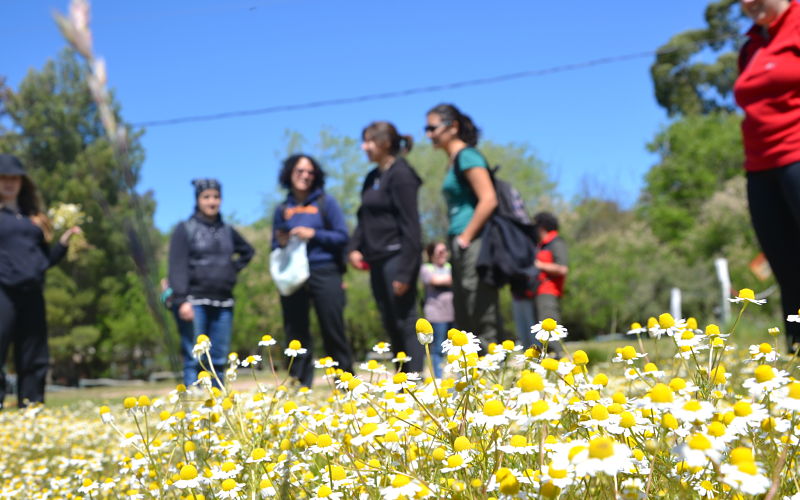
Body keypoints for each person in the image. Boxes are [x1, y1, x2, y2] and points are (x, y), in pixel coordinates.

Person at [734, 0, 800, 351]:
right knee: (787, 270)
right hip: (760, 169)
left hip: (798, 155)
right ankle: (796, 366)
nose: (749, 2)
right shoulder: (750, 46)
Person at [0, 154, 81, 408]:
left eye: (14, 178)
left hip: (32, 292)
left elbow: (44, 261)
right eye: (4, 178)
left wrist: (63, 243)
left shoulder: (35, 218)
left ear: (23, 182)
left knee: (34, 356)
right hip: (3, 292)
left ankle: (31, 409)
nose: (9, 183)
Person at [425, 104, 502, 351]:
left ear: (453, 127)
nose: (428, 134)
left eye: (432, 127)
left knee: (478, 301)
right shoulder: (453, 160)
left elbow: (489, 198)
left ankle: (491, 365)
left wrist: (466, 237)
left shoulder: (468, 156)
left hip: (475, 240)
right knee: (464, 308)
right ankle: (473, 373)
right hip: (460, 241)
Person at [348, 121, 424, 373]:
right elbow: (364, 218)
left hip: (398, 257)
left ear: (385, 143)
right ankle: (402, 386)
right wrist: (354, 248)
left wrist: (405, 272)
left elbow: (411, 226)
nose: (364, 147)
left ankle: (414, 383)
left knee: (406, 321)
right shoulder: (372, 177)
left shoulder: (402, 174)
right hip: (377, 260)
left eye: (369, 141)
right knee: (390, 322)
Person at [273, 154, 353, 387]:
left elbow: (342, 236)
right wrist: (283, 240)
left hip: (324, 270)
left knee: (333, 327)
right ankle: (300, 386)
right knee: (296, 333)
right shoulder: (282, 209)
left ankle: (346, 384)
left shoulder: (325, 203)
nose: (305, 176)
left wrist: (314, 234)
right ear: (289, 174)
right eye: (300, 171)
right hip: (293, 276)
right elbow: (275, 246)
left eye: (310, 172)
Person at [168, 179, 254, 386]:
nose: (212, 202)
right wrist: (182, 300)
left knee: (218, 360)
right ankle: (192, 409)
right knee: (194, 358)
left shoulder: (227, 230)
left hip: (224, 303)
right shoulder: (185, 228)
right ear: (198, 200)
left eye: (216, 197)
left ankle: (217, 408)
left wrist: (230, 269)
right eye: (206, 197)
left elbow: (248, 251)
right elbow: (176, 266)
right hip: (194, 302)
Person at [420, 242, 454, 378]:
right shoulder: (426, 268)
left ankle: (455, 378)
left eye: (445, 250)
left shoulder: (449, 266)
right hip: (436, 315)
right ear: (431, 254)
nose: (443, 254)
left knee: (454, 349)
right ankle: (439, 379)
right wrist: (452, 279)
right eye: (439, 252)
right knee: (438, 349)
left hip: (453, 313)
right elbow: (434, 280)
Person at [532, 212, 568, 326]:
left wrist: (538, 264)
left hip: (548, 292)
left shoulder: (556, 242)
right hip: (537, 292)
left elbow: (562, 269)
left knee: (550, 335)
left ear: (541, 227)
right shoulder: (541, 245)